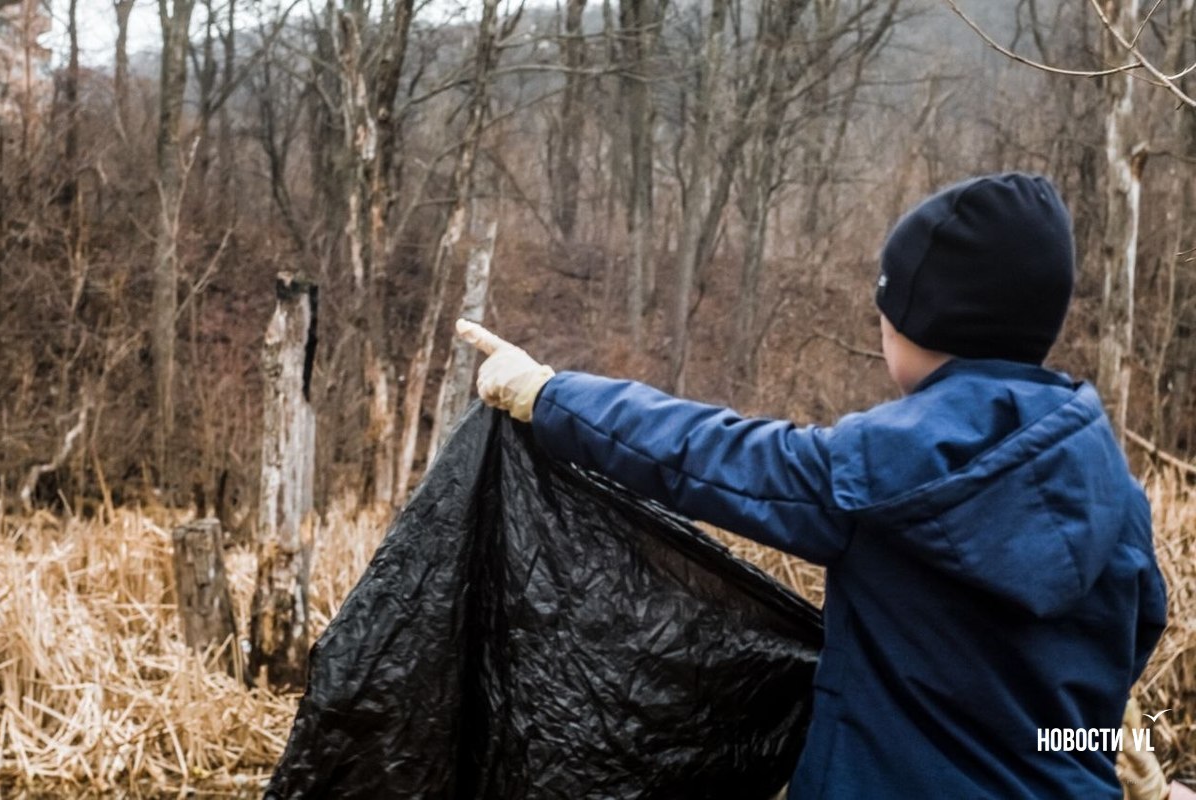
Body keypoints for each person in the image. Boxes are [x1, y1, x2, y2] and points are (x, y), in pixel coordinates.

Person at [455, 172, 1169, 799]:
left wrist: (548, 395)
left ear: (919, 326)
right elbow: (1104, 677)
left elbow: (705, 453)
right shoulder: (1112, 488)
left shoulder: (878, 475)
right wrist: (1109, 753)